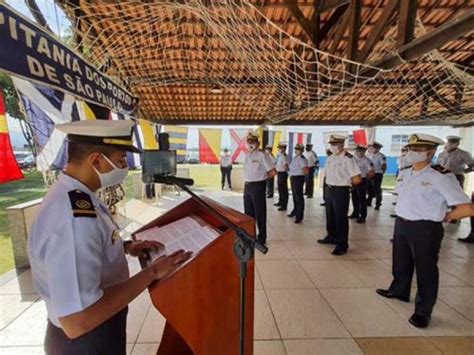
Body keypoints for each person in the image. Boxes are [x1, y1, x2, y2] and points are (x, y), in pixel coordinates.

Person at [27, 120, 192, 354]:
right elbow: (78, 320)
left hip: (96, 329)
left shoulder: (77, 195)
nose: (125, 167)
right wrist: (152, 272)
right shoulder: (74, 218)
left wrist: (126, 246)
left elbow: (88, 245)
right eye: (121, 160)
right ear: (96, 160)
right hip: (87, 340)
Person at [376, 133, 471, 329]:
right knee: (400, 262)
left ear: (430, 152)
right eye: (411, 149)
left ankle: (423, 311)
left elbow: (467, 208)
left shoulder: (441, 176)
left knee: (426, 271)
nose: (412, 153)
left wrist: (446, 217)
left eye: (418, 150)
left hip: (425, 228)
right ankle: (399, 290)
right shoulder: (405, 171)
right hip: (402, 223)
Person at [318, 135, 361, 255]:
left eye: (335, 144)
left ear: (341, 144)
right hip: (329, 189)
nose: (332, 146)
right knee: (330, 215)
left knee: (340, 218)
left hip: (341, 190)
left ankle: (342, 244)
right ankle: (331, 236)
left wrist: (346, 184)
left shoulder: (348, 158)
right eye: (331, 144)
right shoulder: (330, 158)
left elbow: (357, 178)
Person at [243, 132, 276, 245]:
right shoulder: (247, 155)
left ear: (258, 143)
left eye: (253, 141)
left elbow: (272, 171)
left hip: (258, 186)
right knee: (248, 214)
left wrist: (263, 180)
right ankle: (250, 235)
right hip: (247, 186)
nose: (251, 144)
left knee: (260, 213)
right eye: (249, 142)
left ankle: (262, 237)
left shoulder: (262, 155)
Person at [349, 144, 375, 224]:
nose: (360, 152)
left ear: (365, 151)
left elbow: (372, 172)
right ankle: (355, 213)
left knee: (362, 199)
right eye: (358, 150)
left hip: (362, 180)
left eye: (362, 150)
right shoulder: (352, 159)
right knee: (354, 197)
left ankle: (363, 216)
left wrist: (365, 179)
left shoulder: (367, 160)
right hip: (353, 180)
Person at [288, 144, 309, 223]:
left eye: (299, 149)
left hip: (298, 178)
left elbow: (306, 170)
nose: (297, 150)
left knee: (299, 197)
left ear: (302, 150)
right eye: (296, 149)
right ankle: (295, 211)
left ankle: (299, 216)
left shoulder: (302, 159)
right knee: (295, 196)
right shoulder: (295, 158)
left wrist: (302, 176)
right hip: (293, 178)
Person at [366, 142, 386, 210]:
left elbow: (383, 165)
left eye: (376, 148)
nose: (374, 149)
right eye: (373, 147)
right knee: (369, 188)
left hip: (377, 174)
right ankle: (369, 202)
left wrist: (383, 171)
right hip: (370, 173)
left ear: (379, 148)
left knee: (377, 189)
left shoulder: (381, 156)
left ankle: (378, 204)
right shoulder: (369, 154)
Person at [274, 142, 290, 211]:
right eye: (279, 148)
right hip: (279, 173)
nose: (279, 149)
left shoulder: (284, 156)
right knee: (280, 189)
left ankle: (284, 205)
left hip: (283, 174)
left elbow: (286, 165)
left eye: (280, 148)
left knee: (283, 190)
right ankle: (280, 202)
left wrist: (285, 171)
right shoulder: (279, 155)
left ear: (284, 149)